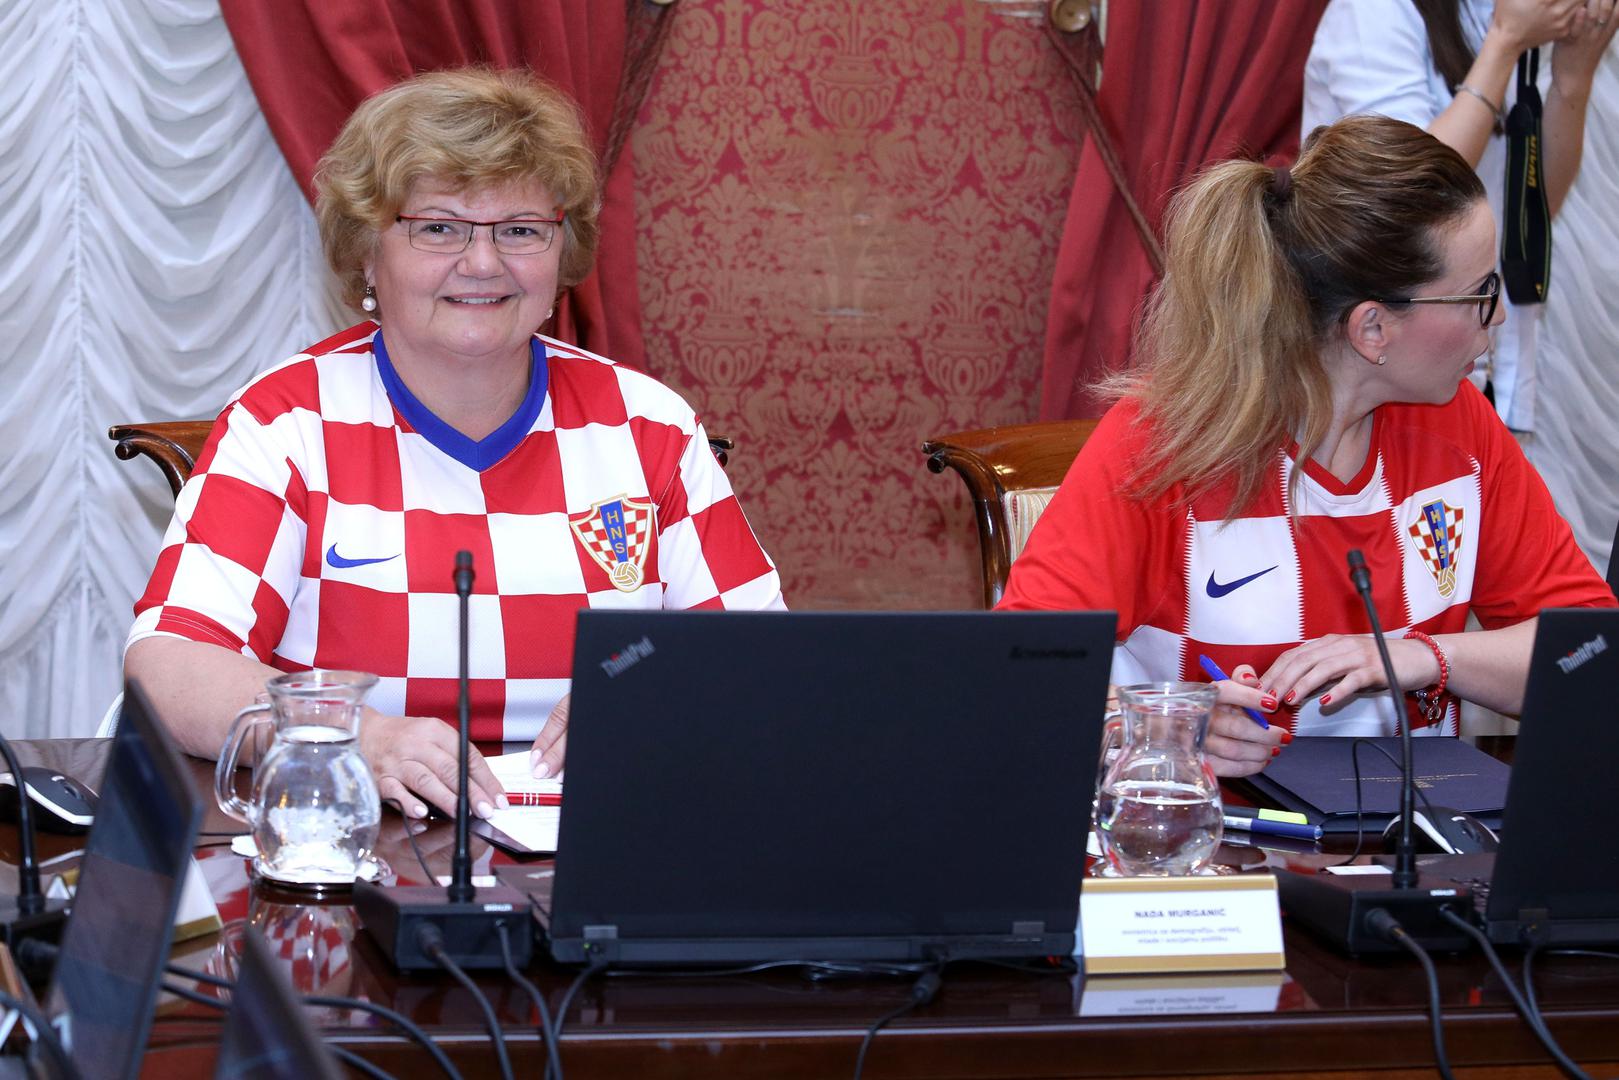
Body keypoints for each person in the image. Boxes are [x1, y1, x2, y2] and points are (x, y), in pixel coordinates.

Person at [125, 68, 785, 819]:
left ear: (561, 254)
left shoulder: (647, 425)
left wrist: (656, 688)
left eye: (520, 230)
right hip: (359, 834)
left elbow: (763, 660)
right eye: (438, 227)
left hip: (598, 834)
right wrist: (355, 736)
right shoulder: (287, 421)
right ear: (368, 253)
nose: (482, 263)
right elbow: (168, 667)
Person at [999, 115, 1615, 777]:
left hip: (1417, 830)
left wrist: (1427, 657)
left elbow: (1592, 657)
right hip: (1218, 834)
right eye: (1479, 293)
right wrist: (1173, 724)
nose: (1497, 316)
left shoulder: (1460, 425)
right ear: (1372, 329)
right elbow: (1014, 681)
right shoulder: (1161, 445)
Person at [1303, 0, 1619, 432]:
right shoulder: (1372, 12)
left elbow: (1533, 209)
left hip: (1477, 341)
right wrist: (1505, 42)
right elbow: (1408, 198)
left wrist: (1573, 76)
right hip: (1379, 357)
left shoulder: (1506, 13)